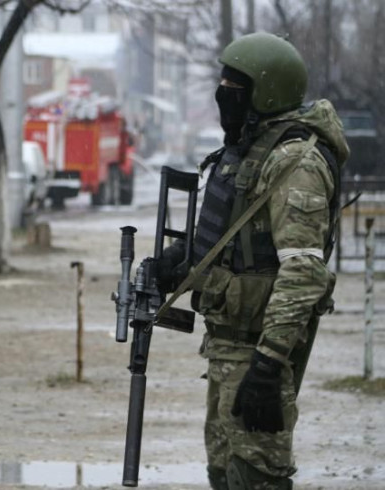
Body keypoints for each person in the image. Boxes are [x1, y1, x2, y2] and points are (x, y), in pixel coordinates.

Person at [160, 33, 349, 489]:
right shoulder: (249, 149)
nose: (223, 94)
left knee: (257, 479)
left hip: (256, 355)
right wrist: (182, 262)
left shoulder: (294, 161)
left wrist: (268, 364)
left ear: (265, 93)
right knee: (224, 477)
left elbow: (303, 271)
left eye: (234, 87)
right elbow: (239, 243)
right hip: (226, 349)